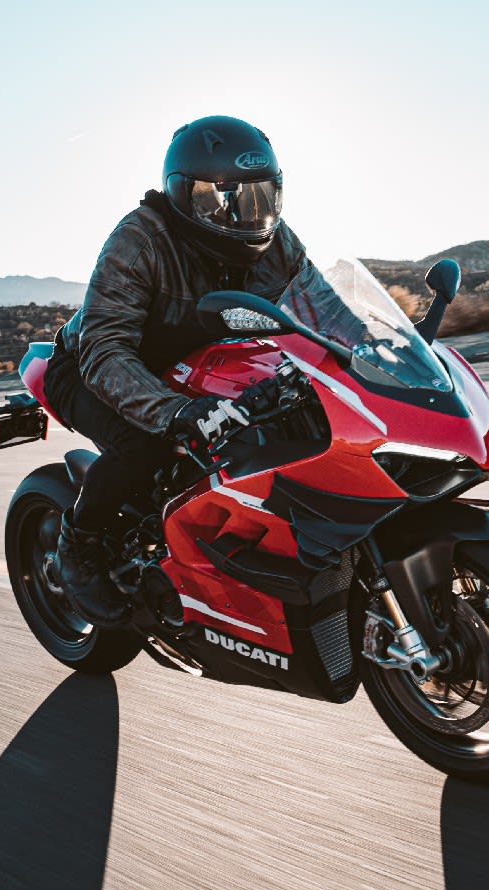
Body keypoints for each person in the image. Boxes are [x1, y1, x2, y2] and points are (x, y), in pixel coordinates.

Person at [42, 115, 308, 628]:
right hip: (94, 366)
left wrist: (380, 346)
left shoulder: (278, 242)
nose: (245, 216)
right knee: (144, 447)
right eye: (226, 200)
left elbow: (322, 309)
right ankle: (77, 546)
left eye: (260, 198)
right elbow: (105, 347)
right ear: (187, 197)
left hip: (195, 364)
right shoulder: (141, 240)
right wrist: (175, 413)